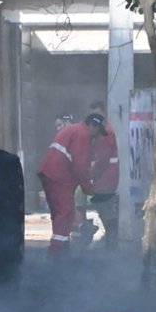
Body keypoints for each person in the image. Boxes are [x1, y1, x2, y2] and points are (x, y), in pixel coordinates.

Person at [37, 113, 106, 257]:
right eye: (98, 132)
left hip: (50, 174)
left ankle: (60, 247)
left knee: (59, 213)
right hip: (59, 176)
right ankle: (58, 252)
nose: (97, 137)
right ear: (92, 125)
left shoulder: (74, 130)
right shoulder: (83, 135)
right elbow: (80, 166)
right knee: (66, 213)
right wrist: (89, 188)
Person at [87, 100, 121, 249]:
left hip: (105, 178)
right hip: (104, 177)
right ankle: (110, 242)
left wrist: (91, 175)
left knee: (105, 210)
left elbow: (102, 160)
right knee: (104, 210)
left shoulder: (105, 133)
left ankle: (111, 244)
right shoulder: (102, 131)